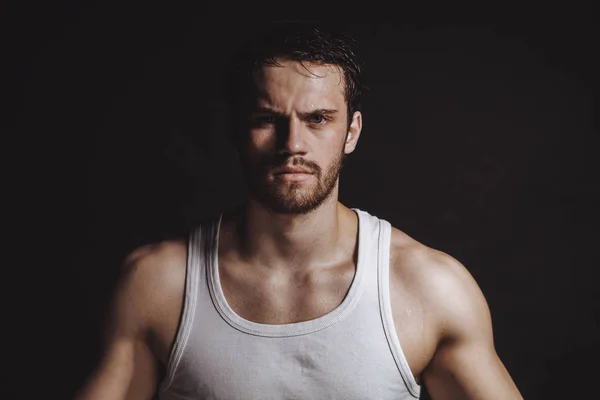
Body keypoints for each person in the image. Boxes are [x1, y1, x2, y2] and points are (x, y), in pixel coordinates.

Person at [76, 21, 523, 399]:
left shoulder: (427, 289)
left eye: (317, 119)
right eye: (267, 119)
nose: (292, 144)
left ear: (351, 132)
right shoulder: (158, 284)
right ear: (237, 129)